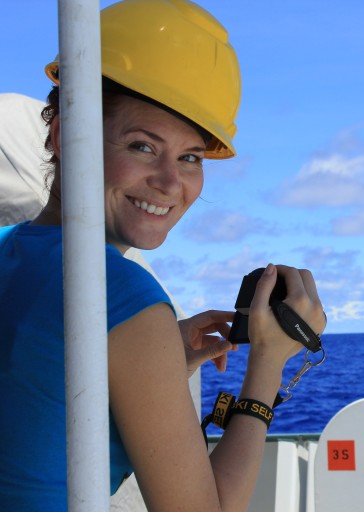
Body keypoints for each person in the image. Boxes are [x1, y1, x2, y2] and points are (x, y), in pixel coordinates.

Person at [0, 1, 326, 510]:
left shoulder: (11, 254)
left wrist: (156, 360)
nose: (172, 182)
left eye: (190, 156)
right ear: (67, 136)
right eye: (142, 146)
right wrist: (266, 365)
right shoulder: (121, 296)